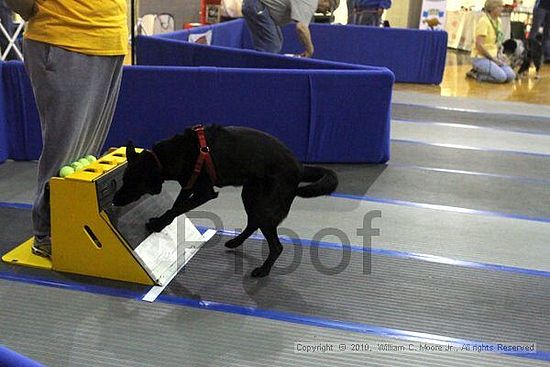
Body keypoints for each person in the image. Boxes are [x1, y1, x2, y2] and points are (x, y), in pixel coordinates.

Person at [21, 0, 128, 257]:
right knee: (65, 148)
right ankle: (48, 231)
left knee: (87, 154)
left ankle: (74, 223)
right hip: (64, 35)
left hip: (109, 37)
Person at [242, 0, 339, 57]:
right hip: (256, 5)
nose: (324, 13)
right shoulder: (311, 2)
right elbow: (301, 28)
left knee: (276, 42)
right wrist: (310, 50)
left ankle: (260, 71)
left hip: (257, 6)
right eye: (328, 9)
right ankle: (261, 78)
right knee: (272, 46)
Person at [467, 0, 515, 83]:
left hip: (494, 56)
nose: (502, 9)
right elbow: (479, 45)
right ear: (493, 9)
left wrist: (500, 55)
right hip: (480, 57)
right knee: (501, 77)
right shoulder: (484, 22)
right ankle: (476, 73)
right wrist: (493, 59)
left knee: (511, 76)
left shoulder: (498, 21)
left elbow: (497, 41)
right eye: (500, 7)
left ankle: (487, 71)